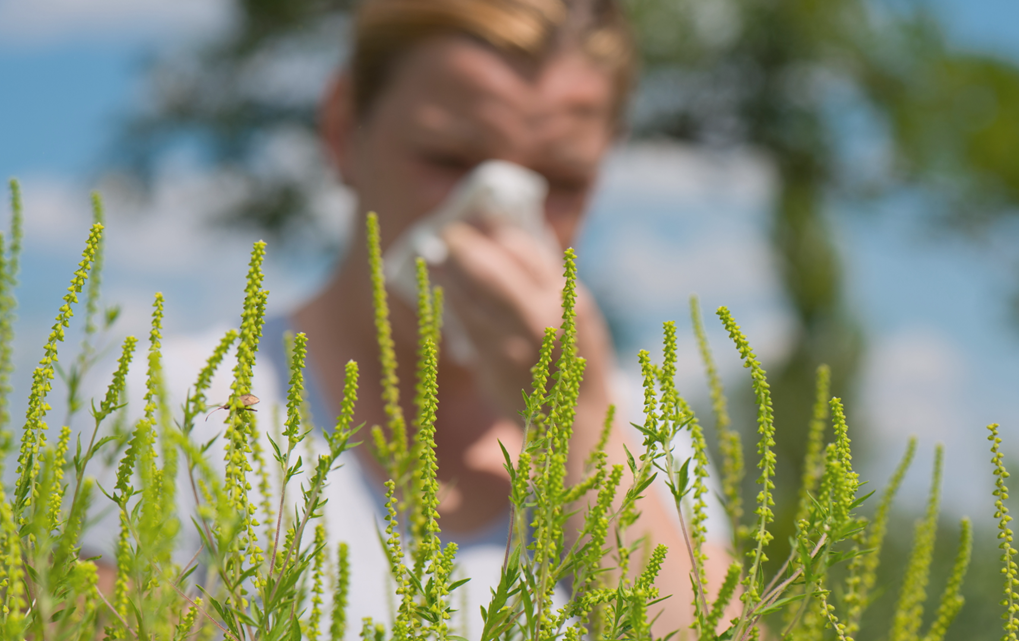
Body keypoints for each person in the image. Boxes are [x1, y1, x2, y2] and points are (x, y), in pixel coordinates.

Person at [91, 0, 735, 637]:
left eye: (561, 179)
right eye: (448, 160)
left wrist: (577, 433)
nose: (493, 218)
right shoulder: (180, 405)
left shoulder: (643, 434)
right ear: (344, 131)